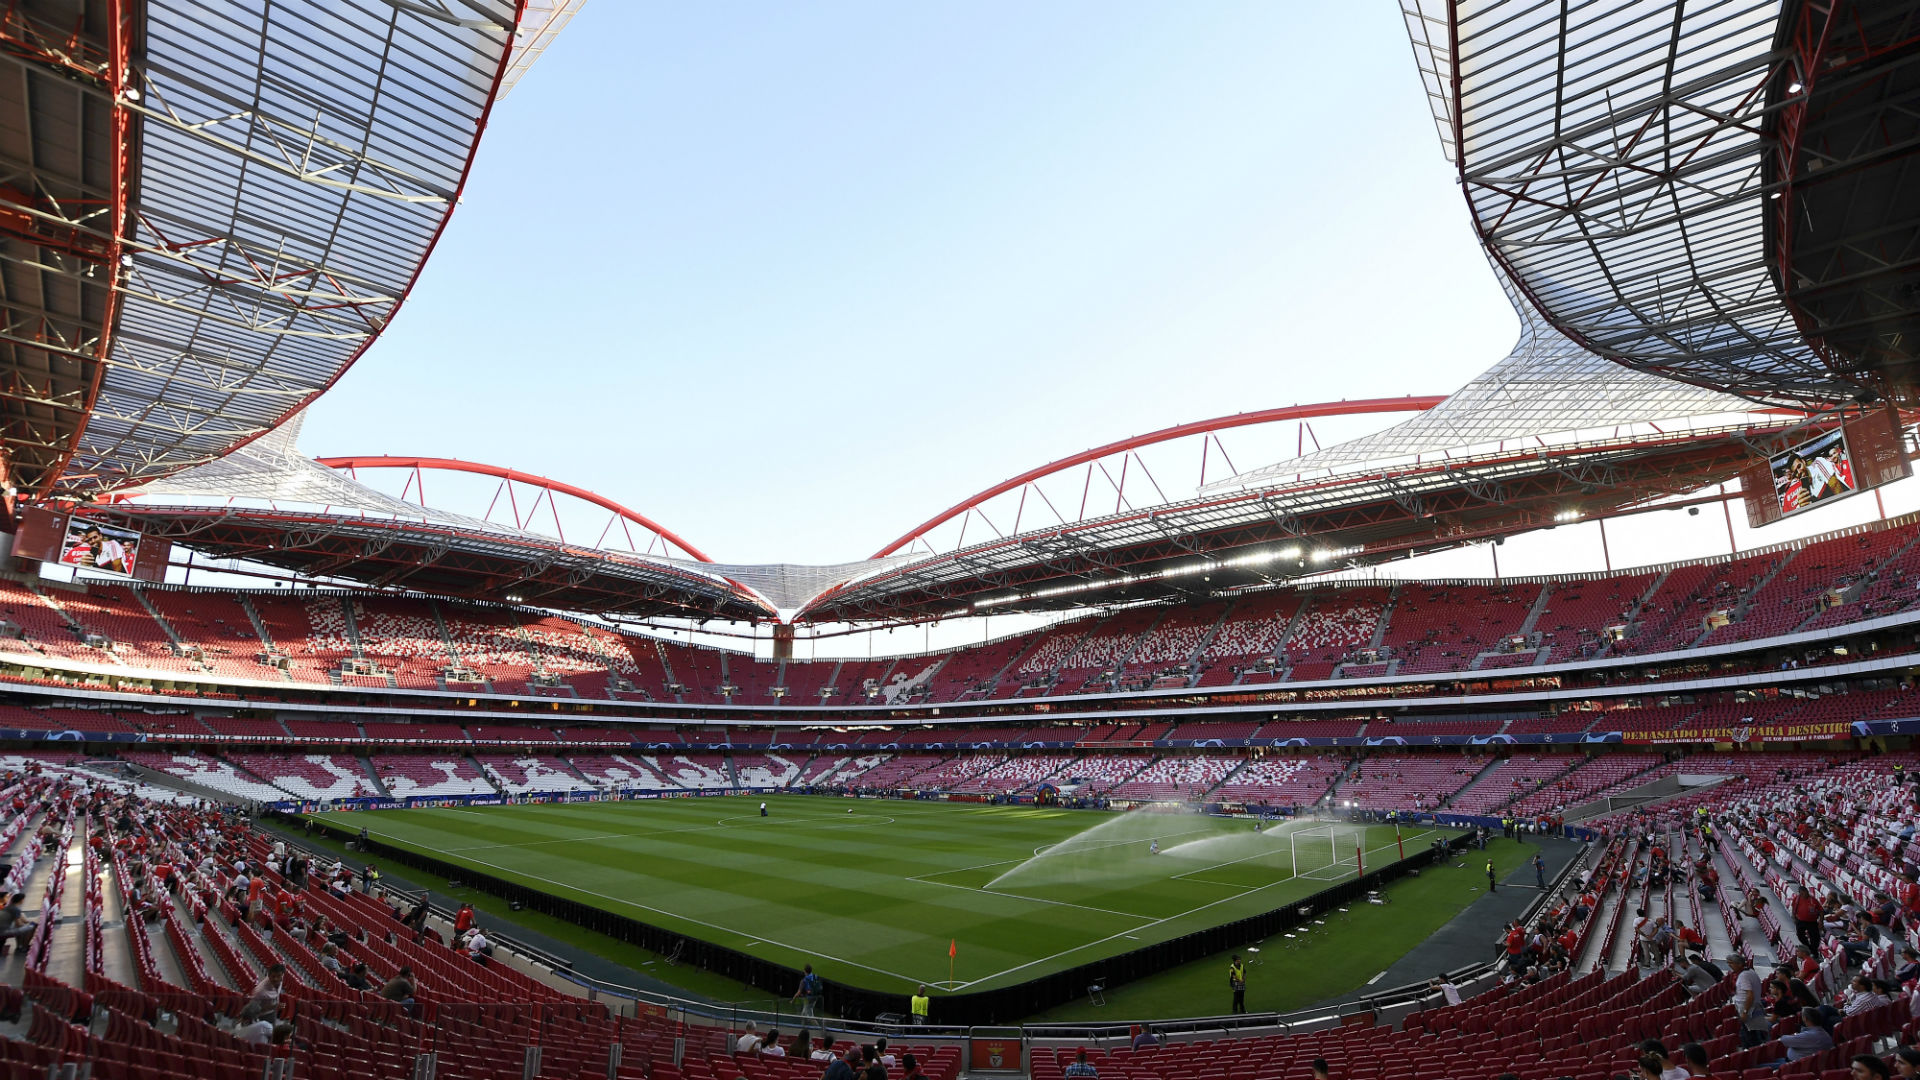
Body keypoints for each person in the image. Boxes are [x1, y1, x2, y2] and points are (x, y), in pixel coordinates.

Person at [1731, 955, 1770, 1047]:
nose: (1730, 965)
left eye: (1732, 963)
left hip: (1749, 1009)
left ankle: (1754, 1052)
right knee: (1748, 1035)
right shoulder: (1750, 972)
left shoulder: (1744, 976)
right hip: (1752, 1007)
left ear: (1739, 964)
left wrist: (1745, 1012)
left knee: (1750, 1036)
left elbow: (1750, 995)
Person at [1792, 885, 1823, 954]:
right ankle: (1809, 948)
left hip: (1812, 922)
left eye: (1804, 893)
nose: (1803, 895)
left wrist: (1821, 922)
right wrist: (1793, 917)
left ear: (1807, 891)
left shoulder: (1813, 900)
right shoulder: (1797, 899)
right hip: (1800, 921)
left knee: (1814, 938)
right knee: (1800, 935)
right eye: (1801, 893)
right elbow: (1793, 908)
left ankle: (1814, 952)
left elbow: (1821, 910)